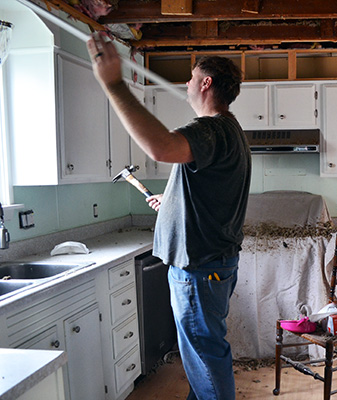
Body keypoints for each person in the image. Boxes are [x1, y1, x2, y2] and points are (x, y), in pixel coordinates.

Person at [87, 32, 251, 400]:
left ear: (206, 83)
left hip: (198, 268)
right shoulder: (229, 132)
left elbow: (161, 147)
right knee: (200, 356)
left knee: (206, 356)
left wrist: (113, 84)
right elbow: (209, 192)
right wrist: (174, 201)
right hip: (210, 263)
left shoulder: (211, 129)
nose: (187, 84)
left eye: (192, 78)